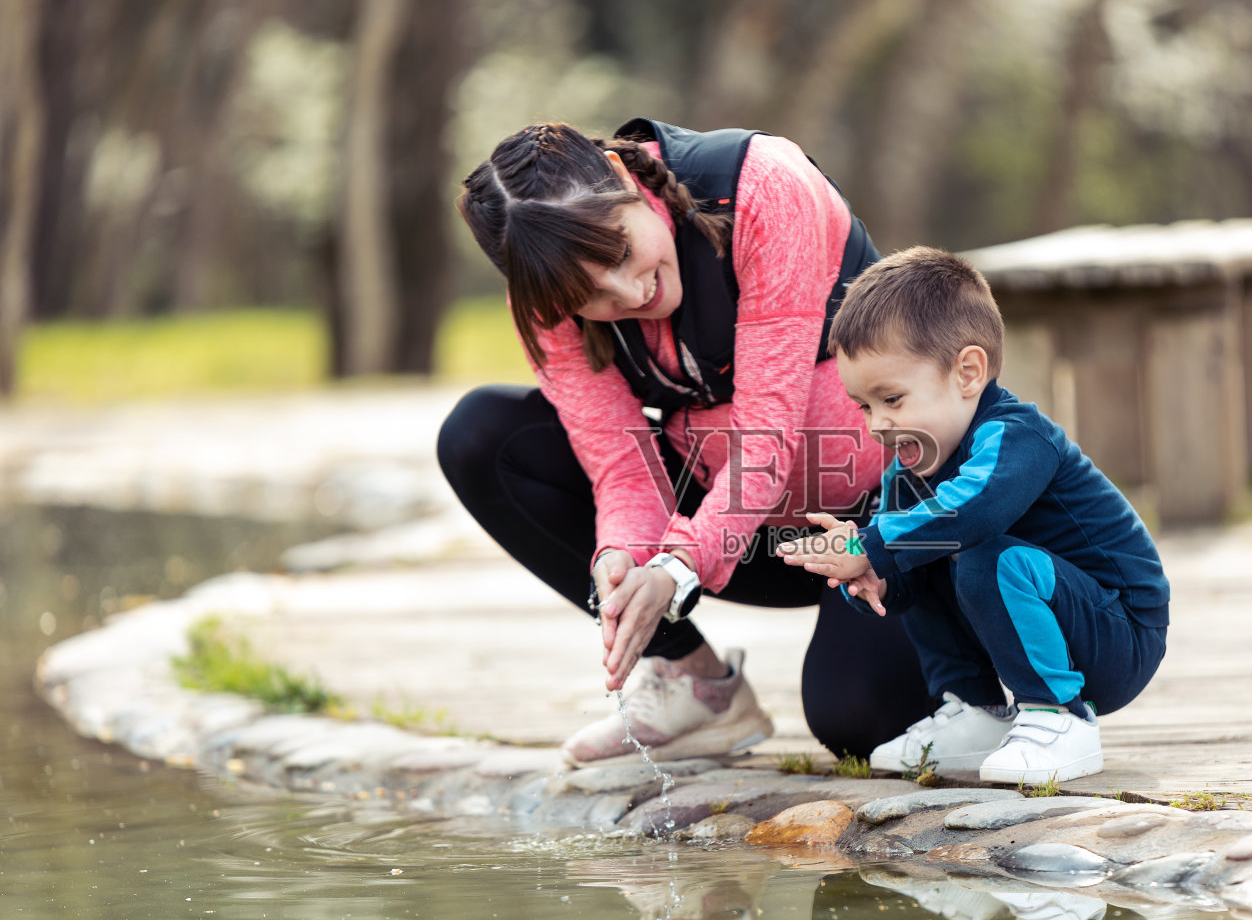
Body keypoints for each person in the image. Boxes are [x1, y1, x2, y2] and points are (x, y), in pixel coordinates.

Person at [437, 118, 937, 766]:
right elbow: (620, 465)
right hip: (756, 534)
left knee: (861, 721)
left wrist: (674, 567)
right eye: (590, 294)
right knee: (480, 435)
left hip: (892, 512)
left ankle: (980, 615)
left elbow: (766, 433)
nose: (629, 293)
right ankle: (694, 685)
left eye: (619, 253)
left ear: (621, 178)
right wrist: (620, 556)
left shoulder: (763, 190)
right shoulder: (546, 295)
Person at [778, 247, 1171, 784]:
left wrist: (869, 545)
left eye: (891, 398)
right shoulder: (907, 475)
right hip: (1039, 611)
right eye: (864, 406)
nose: (876, 424)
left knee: (977, 550)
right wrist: (871, 577)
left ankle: (1060, 718)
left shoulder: (1017, 437)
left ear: (967, 372)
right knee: (918, 552)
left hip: (1117, 632)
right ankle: (977, 713)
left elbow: (971, 512)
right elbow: (911, 581)